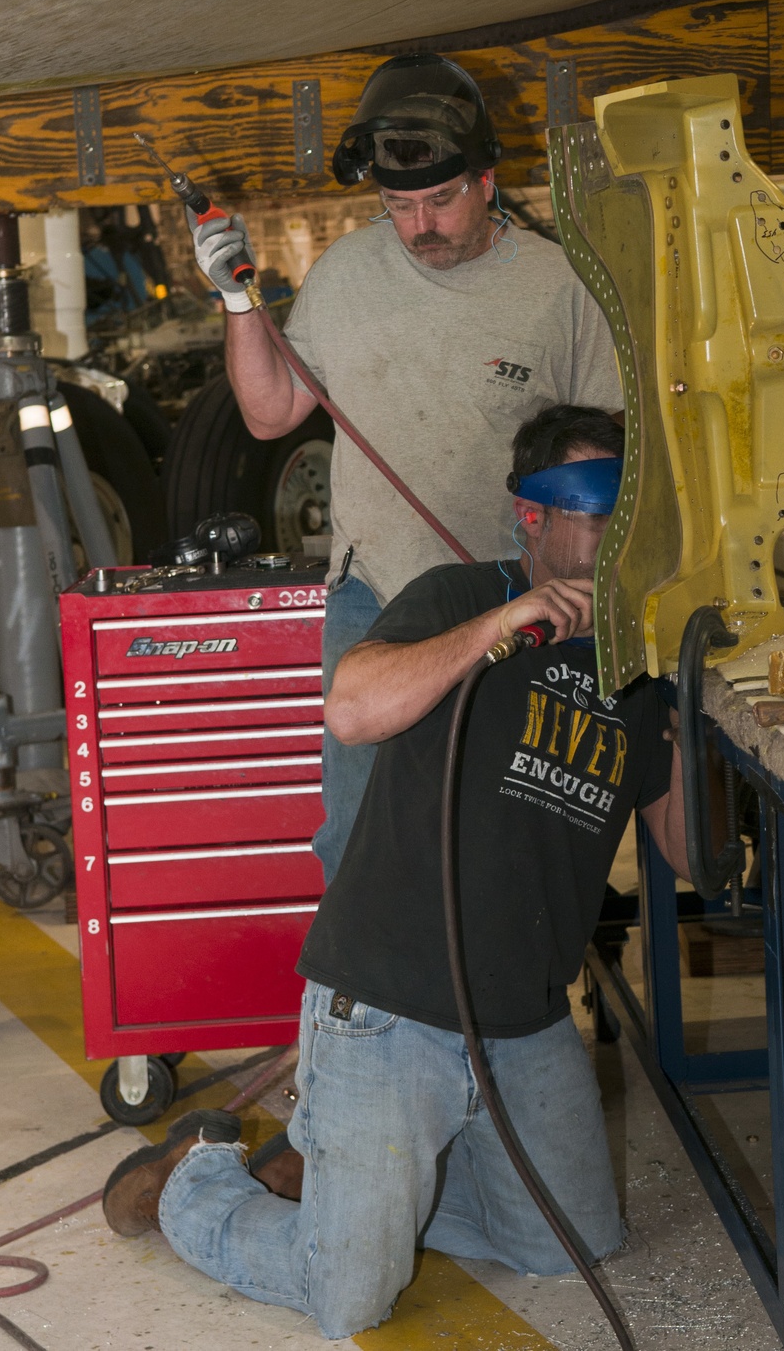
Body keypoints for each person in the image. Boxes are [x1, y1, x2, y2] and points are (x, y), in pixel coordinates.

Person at [101, 404, 689, 1342]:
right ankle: (199, 1181)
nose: (614, 533)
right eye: (594, 507)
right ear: (530, 517)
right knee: (350, 1299)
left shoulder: (640, 662)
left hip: (522, 1021)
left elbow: (690, 852)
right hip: (387, 1008)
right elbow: (353, 708)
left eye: (632, 510)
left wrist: (689, 697)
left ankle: (345, 1178)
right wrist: (510, 619)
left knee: (570, 1249)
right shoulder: (460, 597)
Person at [187, 52, 621, 884]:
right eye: (399, 206)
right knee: (358, 833)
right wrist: (238, 301)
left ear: (487, 180)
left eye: (440, 201)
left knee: (509, 830)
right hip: (375, 598)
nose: (420, 227)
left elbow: (611, 451)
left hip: (514, 596)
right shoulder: (348, 273)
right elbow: (270, 411)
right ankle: (356, 1015)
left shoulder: (559, 286)